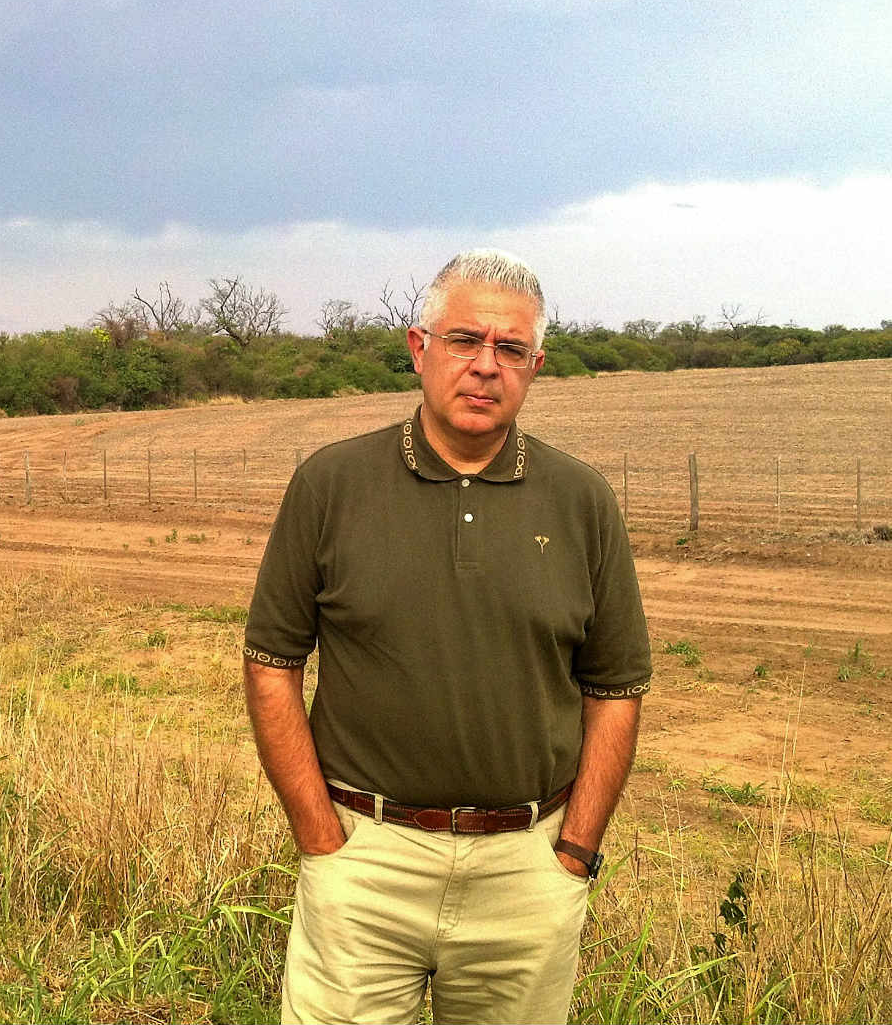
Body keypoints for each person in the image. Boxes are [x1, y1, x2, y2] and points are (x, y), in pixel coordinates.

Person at [243, 249, 651, 1024]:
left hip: (524, 871)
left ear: (537, 365)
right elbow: (271, 664)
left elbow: (617, 688)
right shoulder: (331, 485)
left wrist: (574, 853)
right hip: (365, 859)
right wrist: (320, 835)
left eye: (510, 349)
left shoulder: (582, 500)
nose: (486, 365)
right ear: (418, 348)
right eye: (465, 339)